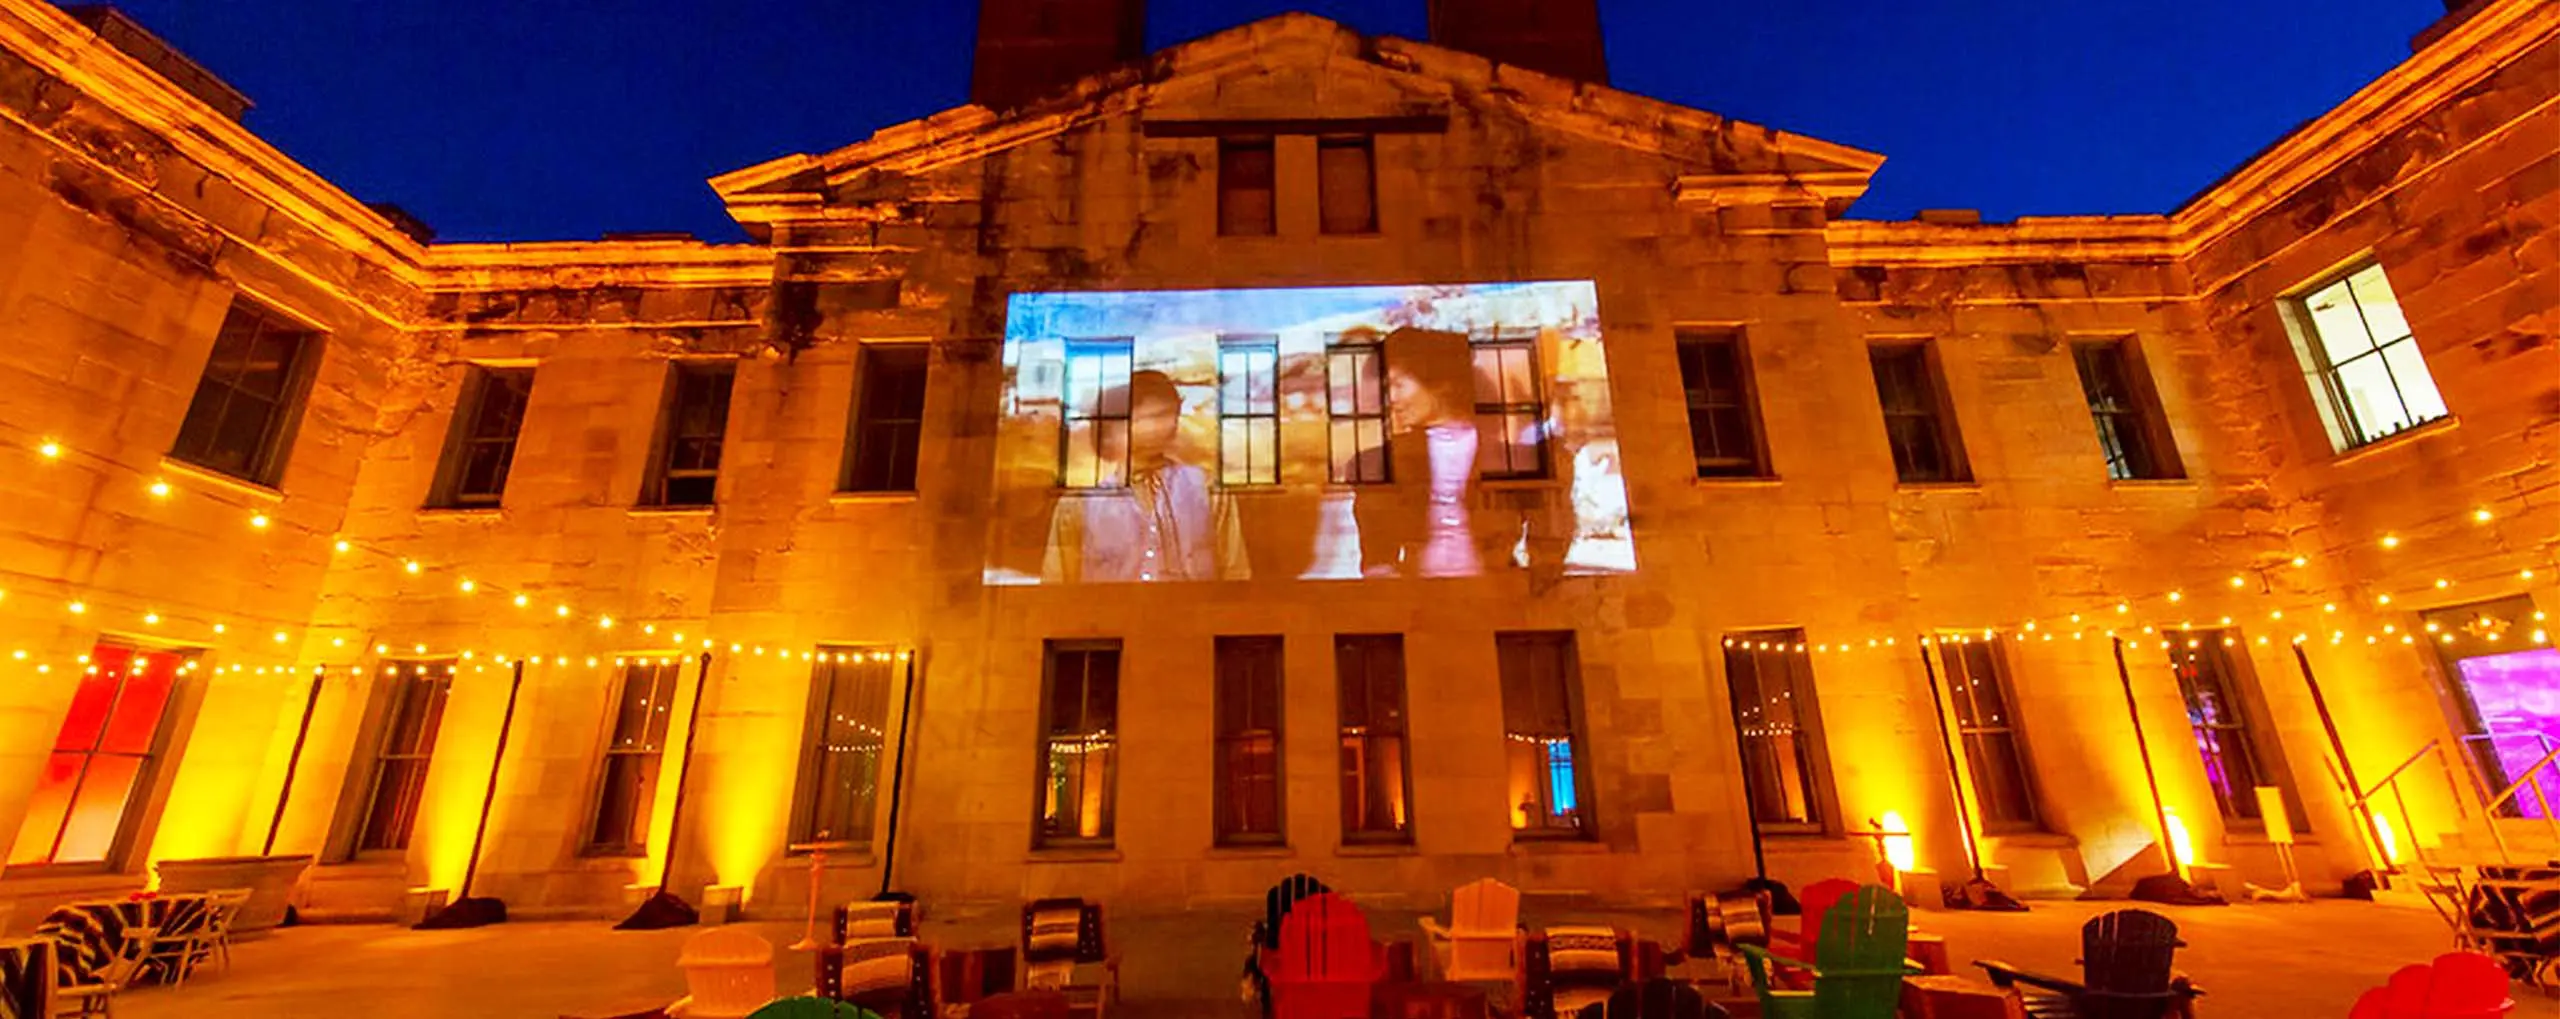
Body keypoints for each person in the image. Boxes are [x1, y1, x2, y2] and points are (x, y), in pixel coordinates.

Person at [1043, 370, 1249, 583]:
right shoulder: (1078, 505)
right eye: (1151, 417)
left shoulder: (1208, 491)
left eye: (1170, 414)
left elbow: (1237, 576)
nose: (1166, 425)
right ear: (1120, 422)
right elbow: (1055, 587)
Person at [1355, 328, 1485, 578]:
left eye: (1399, 385)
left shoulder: (1495, 451)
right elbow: (1378, 557)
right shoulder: (1380, 462)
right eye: (1387, 387)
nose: (1391, 398)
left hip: (1498, 596)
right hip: (1418, 601)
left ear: (1439, 384)